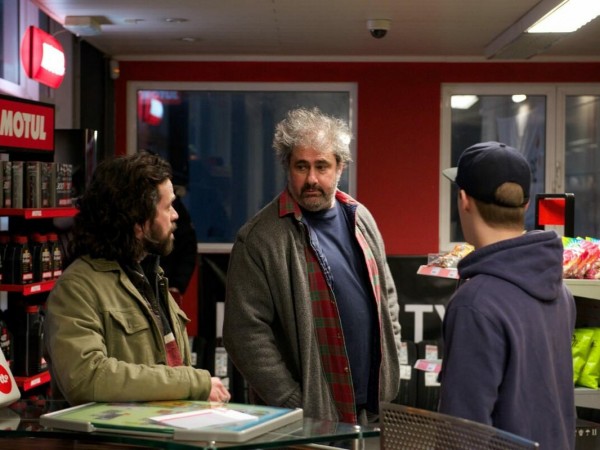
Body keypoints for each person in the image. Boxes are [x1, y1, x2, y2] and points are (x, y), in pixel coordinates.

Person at [222, 107, 402, 425]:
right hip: (306, 418)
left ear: (340, 167)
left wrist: (391, 360)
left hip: (371, 407)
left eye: (322, 166)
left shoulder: (361, 218)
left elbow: (386, 298)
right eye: (301, 166)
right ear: (287, 166)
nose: (311, 179)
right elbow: (244, 334)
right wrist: (293, 401)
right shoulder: (259, 239)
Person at [44, 151, 230, 406]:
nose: (175, 215)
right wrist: (192, 383)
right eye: (168, 207)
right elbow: (85, 377)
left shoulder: (151, 276)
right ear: (138, 223)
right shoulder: (76, 288)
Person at [439, 141, 575, 449]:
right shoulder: (561, 291)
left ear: (464, 200)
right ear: (524, 206)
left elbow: (462, 433)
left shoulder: (475, 303)